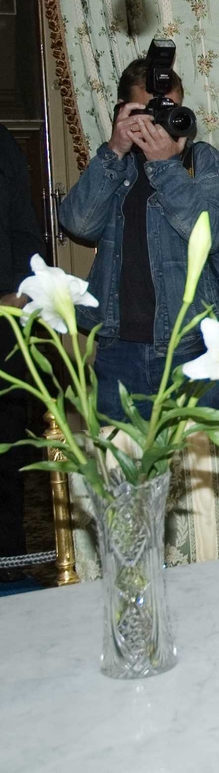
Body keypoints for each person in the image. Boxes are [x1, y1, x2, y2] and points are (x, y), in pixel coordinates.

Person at [59, 58, 219, 421]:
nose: (158, 121)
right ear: (123, 112)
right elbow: (78, 222)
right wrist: (114, 149)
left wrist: (166, 167)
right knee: (120, 472)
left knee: (198, 472)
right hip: (117, 349)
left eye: (167, 109)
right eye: (147, 111)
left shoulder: (202, 162)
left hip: (192, 348)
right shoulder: (117, 166)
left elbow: (211, 232)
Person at [0, 122, 43, 581]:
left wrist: (20, 294)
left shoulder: (2, 141)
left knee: (6, 464)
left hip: (1, 327)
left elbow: (23, 231)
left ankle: (9, 580)